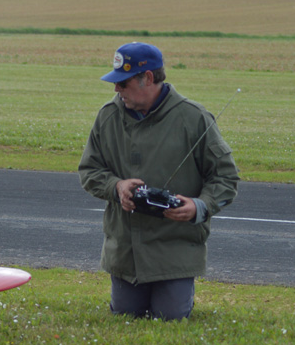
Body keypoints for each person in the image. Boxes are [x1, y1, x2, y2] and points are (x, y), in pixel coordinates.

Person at [78, 42, 239, 320]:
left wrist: (199, 206)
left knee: (170, 318)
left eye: (123, 83)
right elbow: (89, 170)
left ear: (148, 78)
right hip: (125, 250)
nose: (116, 89)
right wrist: (116, 187)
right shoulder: (107, 116)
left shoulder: (194, 118)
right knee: (126, 316)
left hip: (175, 248)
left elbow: (226, 177)